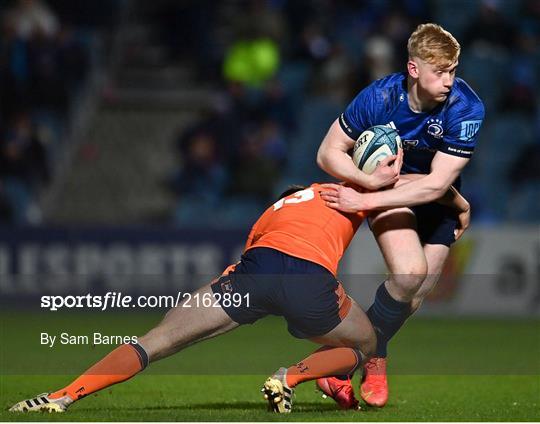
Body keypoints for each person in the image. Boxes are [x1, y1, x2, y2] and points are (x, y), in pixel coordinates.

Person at [9, 177, 469, 414]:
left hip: (252, 272)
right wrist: (456, 203)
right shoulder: (338, 193)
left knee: (158, 339)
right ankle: (289, 378)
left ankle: (63, 395)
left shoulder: (272, 211)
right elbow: (403, 187)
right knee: (363, 345)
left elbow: (254, 254)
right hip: (308, 277)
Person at [315, 23, 484, 408]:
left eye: (453, 71)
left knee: (416, 294)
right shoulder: (379, 97)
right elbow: (327, 153)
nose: (448, 81)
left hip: (432, 198)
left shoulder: (466, 107)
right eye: (439, 72)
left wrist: (362, 201)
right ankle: (371, 358)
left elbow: (435, 185)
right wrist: (368, 183)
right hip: (388, 193)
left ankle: (343, 362)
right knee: (410, 275)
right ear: (413, 69)